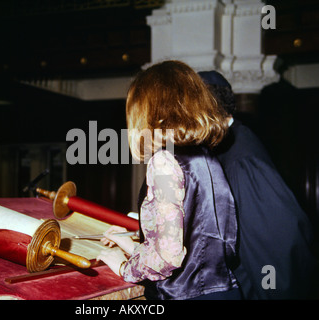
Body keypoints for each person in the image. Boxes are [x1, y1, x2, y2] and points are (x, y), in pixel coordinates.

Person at [97, 60, 241, 300]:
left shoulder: (164, 161)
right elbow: (197, 244)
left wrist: (124, 267)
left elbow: (168, 257)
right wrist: (129, 244)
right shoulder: (206, 156)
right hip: (223, 290)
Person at [198, 70, 318, 299]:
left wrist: (272, 291)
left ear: (204, 106)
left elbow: (272, 250)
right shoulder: (226, 145)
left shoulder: (240, 159)